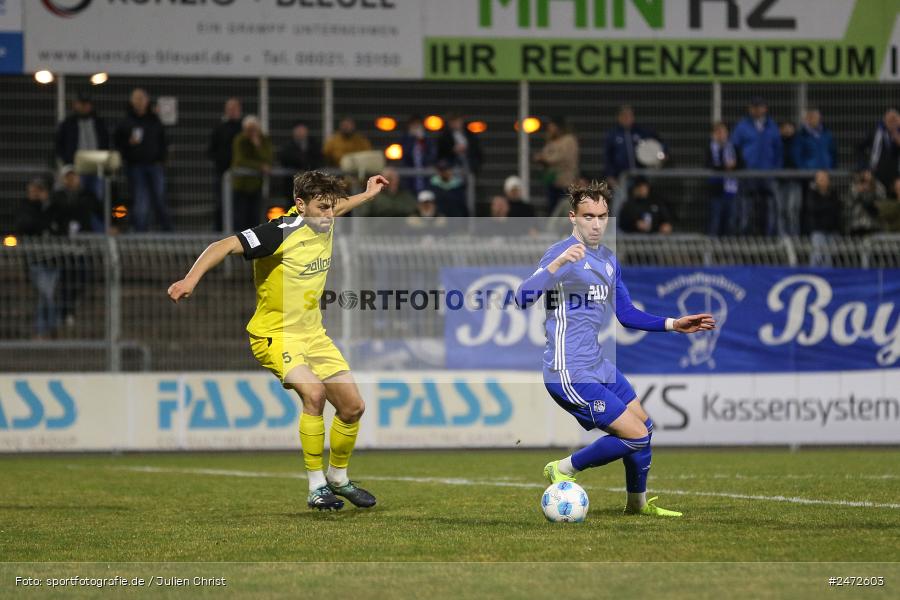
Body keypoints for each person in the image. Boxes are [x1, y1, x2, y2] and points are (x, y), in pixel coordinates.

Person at [167, 171, 388, 511]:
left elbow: (341, 206)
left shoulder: (323, 218)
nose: (330, 214)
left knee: (352, 407)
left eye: (332, 207)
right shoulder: (280, 232)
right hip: (275, 335)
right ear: (300, 204)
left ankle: (338, 478)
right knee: (314, 394)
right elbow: (223, 245)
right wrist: (189, 280)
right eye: (322, 207)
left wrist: (368, 194)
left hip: (314, 335)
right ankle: (316, 487)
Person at [515, 179, 715, 517]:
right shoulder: (561, 253)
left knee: (644, 428)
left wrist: (673, 323)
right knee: (635, 435)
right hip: (569, 371)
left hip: (599, 365)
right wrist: (556, 264)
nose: (596, 224)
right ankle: (562, 468)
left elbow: (626, 314)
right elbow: (522, 298)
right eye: (588, 216)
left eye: (602, 216)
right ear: (573, 217)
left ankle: (637, 505)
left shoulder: (608, 260)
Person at [115, 88, 171, 232]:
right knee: (141, 201)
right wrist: (128, 144)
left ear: (147, 101)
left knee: (160, 199)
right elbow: (117, 143)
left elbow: (163, 141)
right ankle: (140, 233)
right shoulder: (126, 121)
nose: (139, 102)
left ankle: (167, 232)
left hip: (155, 165)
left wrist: (162, 158)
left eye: (141, 98)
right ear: (131, 101)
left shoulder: (154, 120)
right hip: (135, 167)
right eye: (136, 98)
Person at [730, 97, 783, 235]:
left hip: (768, 174)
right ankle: (744, 239)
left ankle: (768, 239)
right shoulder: (742, 126)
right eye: (754, 107)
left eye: (760, 106)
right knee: (745, 209)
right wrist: (740, 167)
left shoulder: (772, 126)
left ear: (765, 108)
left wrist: (776, 170)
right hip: (748, 174)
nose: (757, 109)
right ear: (750, 109)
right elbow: (734, 147)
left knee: (769, 209)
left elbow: (778, 150)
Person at [16, 179, 58, 339]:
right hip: (35, 260)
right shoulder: (25, 207)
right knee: (45, 294)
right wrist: (38, 207)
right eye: (32, 191)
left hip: (54, 260)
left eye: (38, 190)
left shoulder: (52, 207)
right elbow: (26, 226)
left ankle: (45, 329)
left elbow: (57, 227)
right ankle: (49, 327)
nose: (35, 194)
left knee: (46, 295)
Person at [55, 92, 109, 202]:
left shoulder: (99, 122)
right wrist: (67, 163)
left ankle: (95, 213)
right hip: (76, 168)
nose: (84, 107)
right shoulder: (68, 123)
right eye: (81, 103)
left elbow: (106, 142)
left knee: (97, 198)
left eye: (86, 104)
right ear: (75, 105)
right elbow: (59, 144)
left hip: (96, 167)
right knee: (77, 197)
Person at [603, 105, 665, 190]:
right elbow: (608, 157)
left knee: (643, 195)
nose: (627, 118)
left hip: (641, 176)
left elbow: (658, 143)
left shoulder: (642, 132)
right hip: (621, 177)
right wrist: (610, 175)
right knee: (621, 196)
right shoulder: (612, 135)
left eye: (630, 115)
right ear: (619, 117)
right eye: (624, 115)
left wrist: (663, 153)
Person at [230, 115, 274, 232]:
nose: (252, 133)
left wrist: (257, 146)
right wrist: (259, 166)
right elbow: (240, 161)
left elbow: (268, 158)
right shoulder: (240, 140)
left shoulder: (263, 140)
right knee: (240, 218)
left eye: (254, 129)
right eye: (249, 130)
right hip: (241, 185)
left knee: (255, 217)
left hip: (256, 185)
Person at [534, 116, 579, 214]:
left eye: (552, 127)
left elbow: (562, 157)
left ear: (558, 127)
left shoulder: (569, 140)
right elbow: (545, 154)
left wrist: (545, 159)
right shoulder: (551, 141)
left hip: (565, 183)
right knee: (552, 211)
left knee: (565, 210)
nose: (550, 130)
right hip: (552, 183)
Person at [207, 97, 243, 212]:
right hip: (222, 173)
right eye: (229, 109)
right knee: (220, 204)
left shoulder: (244, 129)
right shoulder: (219, 128)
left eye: (234, 108)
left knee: (239, 204)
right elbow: (211, 150)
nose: (232, 111)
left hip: (241, 174)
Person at [706, 121, 738, 237]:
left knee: (730, 222)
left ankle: (728, 247)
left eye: (723, 132)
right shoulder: (710, 149)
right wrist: (725, 166)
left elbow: (741, 164)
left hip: (731, 191)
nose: (721, 135)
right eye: (718, 132)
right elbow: (709, 165)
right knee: (715, 221)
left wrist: (734, 165)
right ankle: (711, 246)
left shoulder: (733, 148)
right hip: (716, 191)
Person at [805, 170, 842, 266]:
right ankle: (813, 273)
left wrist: (824, 206)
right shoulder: (812, 194)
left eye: (825, 178)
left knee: (830, 256)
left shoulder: (833, 194)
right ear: (816, 181)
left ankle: (828, 273)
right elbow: (814, 208)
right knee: (817, 253)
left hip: (832, 231)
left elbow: (837, 208)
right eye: (821, 179)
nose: (823, 181)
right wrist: (828, 205)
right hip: (818, 230)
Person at [277, 121, 322, 199]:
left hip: (311, 184)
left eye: (302, 130)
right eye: (298, 130)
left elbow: (318, 159)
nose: (300, 133)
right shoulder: (287, 145)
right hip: (292, 184)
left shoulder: (314, 144)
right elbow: (284, 158)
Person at [862, 109, 900, 191]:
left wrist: (896, 134)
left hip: (895, 174)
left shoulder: (897, 134)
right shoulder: (876, 133)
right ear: (885, 121)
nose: (892, 123)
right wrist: (865, 166)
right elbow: (860, 148)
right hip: (877, 172)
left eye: (894, 121)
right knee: (865, 185)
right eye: (890, 121)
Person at [399, 115, 436, 194]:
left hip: (425, 175)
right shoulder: (405, 139)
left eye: (418, 125)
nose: (416, 128)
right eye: (413, 125)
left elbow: (431, 156)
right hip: (410, 175)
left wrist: (422, 140)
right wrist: (412, 138)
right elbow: (406, 154)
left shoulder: (427, 140)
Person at [848, 169, 885, 236]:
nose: (866, 175)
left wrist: (872, 186)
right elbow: (850, 200)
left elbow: (882, 196)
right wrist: (859, 189)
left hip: (873, 223)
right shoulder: (855, 184)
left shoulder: (877, 184)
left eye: (868, 172)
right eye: (864, 172)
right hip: (858, 224)